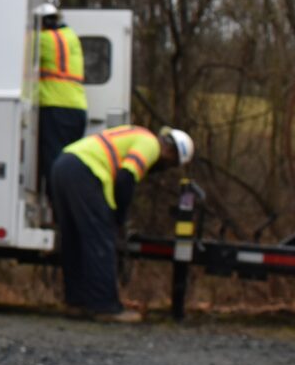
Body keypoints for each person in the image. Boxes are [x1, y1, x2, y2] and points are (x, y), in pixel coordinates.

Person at [50, 125, 195, 322]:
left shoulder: (137, 134)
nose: (163, 168)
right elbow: (126, 177)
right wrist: (119, 217)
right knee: (100, 242)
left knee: (73, 240)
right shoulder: (151, 144)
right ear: (170, 152)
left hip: (63, 165)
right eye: (170, 164)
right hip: (86, 171)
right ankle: (105, 306)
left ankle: (77, 302)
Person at [36, 3, 88, 197]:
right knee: (69, 162)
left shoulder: (43, 40)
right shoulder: (71, 37)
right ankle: (69, 200)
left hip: (56, 106)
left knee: (53, 161)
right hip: (77, 107)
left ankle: (57, 204)